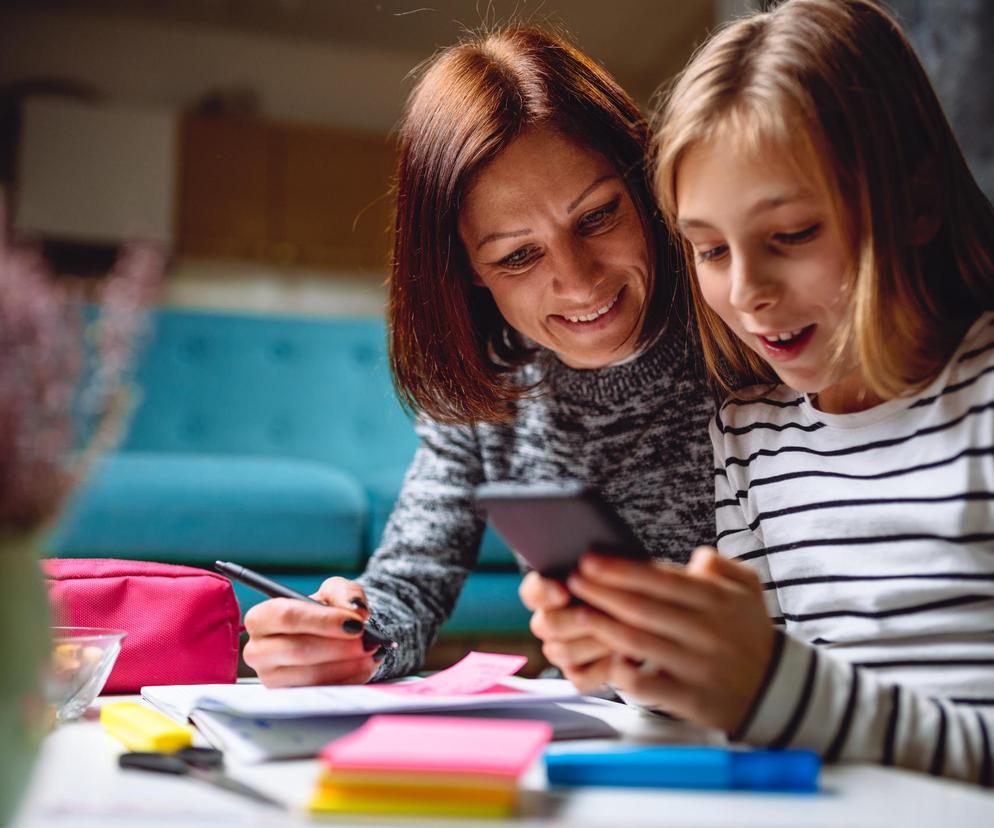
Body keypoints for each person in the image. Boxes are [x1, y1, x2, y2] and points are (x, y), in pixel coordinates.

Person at [525, 0, 994, 785]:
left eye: (793, 236)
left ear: (914, 204)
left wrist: (778, 687)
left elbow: (800, 697)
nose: (747, 292)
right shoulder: (752, 431)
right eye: (709, 249)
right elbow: (767, 709)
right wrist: (649, 665)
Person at [241, 27, 716, 688]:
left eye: (599, 216)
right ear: (466, 272)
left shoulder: (750, 327)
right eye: (518, 256)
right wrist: (346, 638)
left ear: (647, 183)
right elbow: (408, 588)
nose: (578, 281)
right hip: (602, 735)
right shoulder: (491, 384)